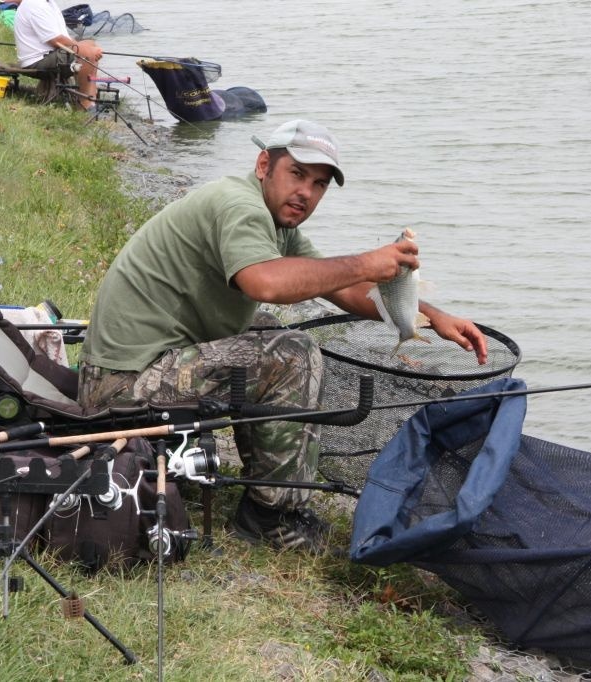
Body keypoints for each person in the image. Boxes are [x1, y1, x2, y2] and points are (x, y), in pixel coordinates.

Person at [78, 119, 488, 551]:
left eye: (319, 184)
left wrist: (429, 316)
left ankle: (266, 486)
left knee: (269, 332)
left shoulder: (274, 221)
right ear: (263, 166)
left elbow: (342, 289)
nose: (306, 193)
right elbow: (265, 284)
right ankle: (270, 516)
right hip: (119, 390)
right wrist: (368, 262)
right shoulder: (240, 206)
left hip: (140, 367)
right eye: (296, 174)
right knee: (291, 353)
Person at [12, 0, 103, 111]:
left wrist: (89, 48)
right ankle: (84, 105)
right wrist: (86, 51)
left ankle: (92, 100)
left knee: (91, 45)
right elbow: (56, 40)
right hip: (37, 61)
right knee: (87, 53)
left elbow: (64, 37)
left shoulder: (49, 4)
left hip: (49, 55)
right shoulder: (34, 4)